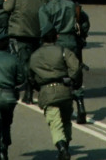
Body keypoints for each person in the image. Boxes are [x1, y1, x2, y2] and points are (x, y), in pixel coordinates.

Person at [39, 0, 89, 124]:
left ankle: (62, 108)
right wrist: (81, 36)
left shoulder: (45, 8)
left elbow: (44, 29)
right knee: (75, 74)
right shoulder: (72, 4)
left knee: (58, 75)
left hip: (56, 44)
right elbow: (85, 22)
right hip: (73, 42)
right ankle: (81, 106)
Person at [28, 23, 82, 160]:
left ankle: (62, 149)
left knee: (55, 123)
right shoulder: (64, 51)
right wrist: (72, 81)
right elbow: (75, 67)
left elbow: (30, 76)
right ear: (56, 37)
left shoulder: (34, 56)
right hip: (65, 90)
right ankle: (65, 147)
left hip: (47, 92)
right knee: (66, 121)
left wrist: (37, 87)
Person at [4, 0, 47, 103]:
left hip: (20, 29)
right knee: (36, 59)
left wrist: (5, 2)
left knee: (24, 60)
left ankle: (28, 87)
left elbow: (8, 7)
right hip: (39, 29)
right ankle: (34, 85)